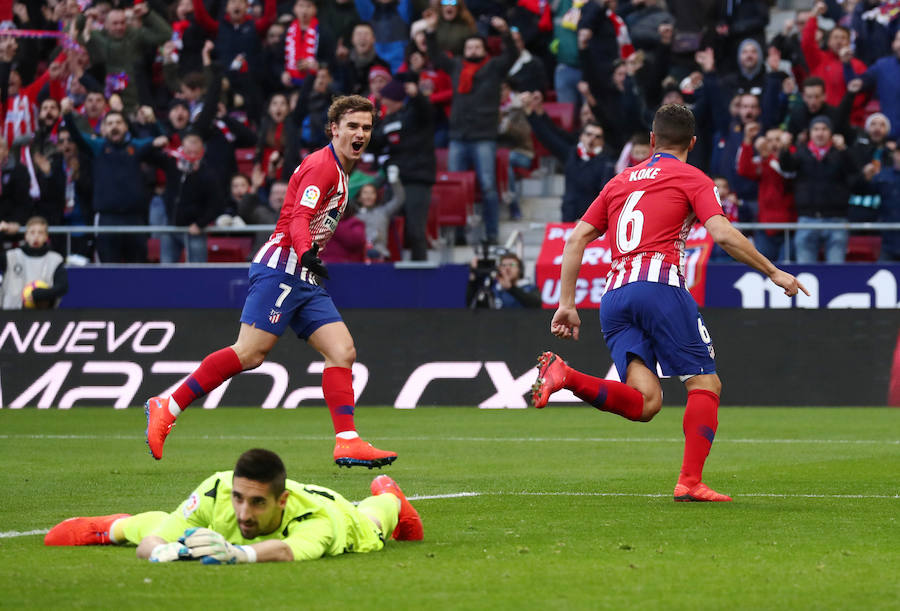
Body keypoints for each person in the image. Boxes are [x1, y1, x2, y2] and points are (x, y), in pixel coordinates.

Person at [531, 104, 807, 502]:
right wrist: (774, 272)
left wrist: (567, 303)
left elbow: (575, 240)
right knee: (704, 383)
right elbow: (723, 235)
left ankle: (566, 376)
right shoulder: (693, 177)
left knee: (646, 402)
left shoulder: (619, 181)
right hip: (659, 287)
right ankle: (690, 481)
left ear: (653, 141)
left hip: (614, 296)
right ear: (693, 143)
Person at [145, 96, 398, 469]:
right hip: (282, 266)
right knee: (250, 353)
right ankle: (168, 404)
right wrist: (307, 250)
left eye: (366, 127)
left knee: (342, 351)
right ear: (334, 129)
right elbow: (299, 217)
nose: (360, 134)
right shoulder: (322, 167)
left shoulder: (342, 171)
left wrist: (309, 259)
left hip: (304, 274)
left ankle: (347, 440)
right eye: (353, 126)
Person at [43, 448, 423, 563]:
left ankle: (392, 494)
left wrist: (239, 555)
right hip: (231, 535)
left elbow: (286, 550)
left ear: (281, 500)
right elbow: (160, 536)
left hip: (345, 515)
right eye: (239, 499)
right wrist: (163, 552)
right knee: (171, 527)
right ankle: (111, 527)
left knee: (376, 519)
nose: (243, 512)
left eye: (257, 503)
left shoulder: (318, 520)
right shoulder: (216, 490)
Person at [0, 216, 68, 309]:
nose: (36, 236)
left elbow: (62, 287)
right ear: (26, 236)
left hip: (42, 316)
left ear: (46, 237)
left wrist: (41, 294)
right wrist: (1, 232)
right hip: (10, 315)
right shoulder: (10, 256)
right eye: (32, 232)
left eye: (40, 233)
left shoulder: (55, 259)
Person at [467, 251, 540, 309]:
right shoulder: (494, 289)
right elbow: (473, 306)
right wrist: (473, 279)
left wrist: (511, 288)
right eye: (503, 265)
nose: (507, 268)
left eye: (512, 265)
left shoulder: (529, 288)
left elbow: (536, 305)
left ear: (519, 269)